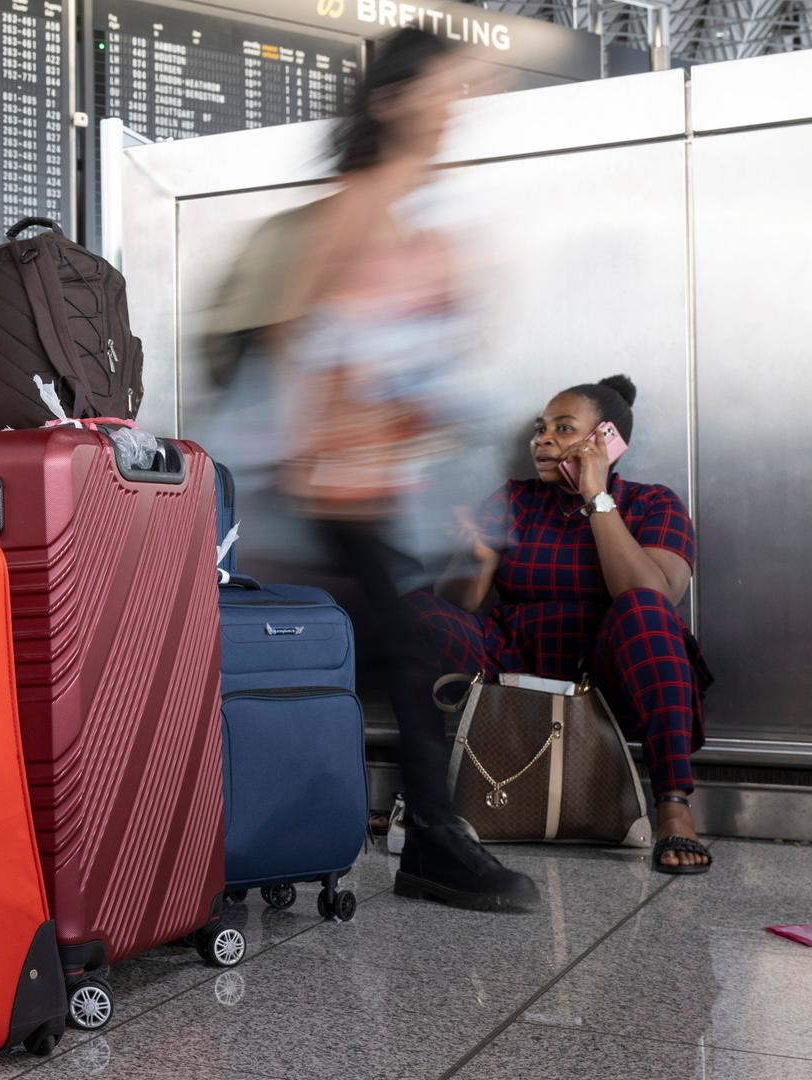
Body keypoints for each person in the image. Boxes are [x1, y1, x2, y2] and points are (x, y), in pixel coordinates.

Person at [269, 28, 541, 911]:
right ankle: (429, 836)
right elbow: (291, 331)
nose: (455, 108)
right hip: (330, 485)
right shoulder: (360, 202)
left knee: (386, 650)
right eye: (441, 90)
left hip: (375, 483)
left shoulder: (412, 211)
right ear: (390, 100)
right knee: (400, 646)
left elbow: (431, 346)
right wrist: (353, 397)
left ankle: (394, 830)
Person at [414, 375, 714, 874]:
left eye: (563, 428)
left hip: (607, 680)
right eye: (540, 429)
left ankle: (674, 807)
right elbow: (460, 605)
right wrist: (474, 552)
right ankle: (421, 794)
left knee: (643, 609)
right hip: (513, 672)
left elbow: (653, 594)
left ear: (606, 439)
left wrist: (598, 498)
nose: (543, 440)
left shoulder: (653, 504)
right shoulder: (515, 498)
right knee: (415, 611)